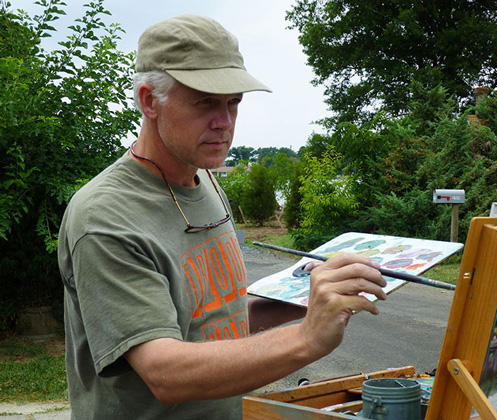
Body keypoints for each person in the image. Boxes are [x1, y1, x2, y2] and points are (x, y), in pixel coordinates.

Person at [57, 14, 388, 420]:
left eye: (233, 103)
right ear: (149, 101)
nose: (225, 123)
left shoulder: (205, 181)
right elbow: (165, 373)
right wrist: (307, 338)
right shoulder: (105, 217)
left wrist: (310, 295)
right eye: (205, 102)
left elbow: (217, 319)